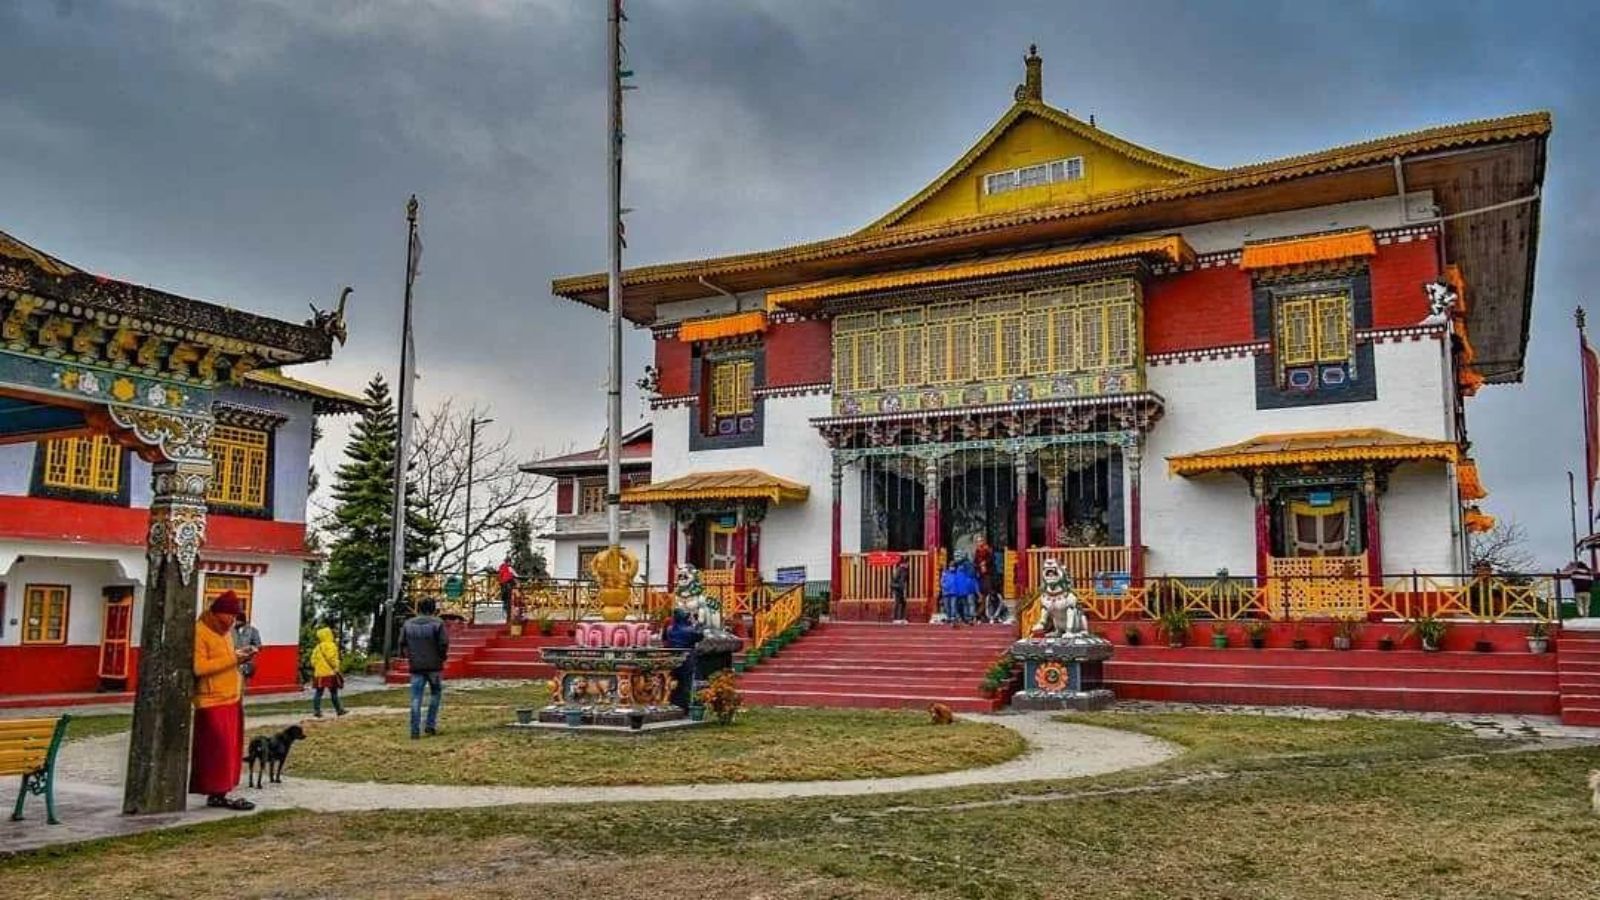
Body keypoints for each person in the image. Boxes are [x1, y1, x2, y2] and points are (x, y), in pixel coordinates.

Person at [190, 591, 255, 810]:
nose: (234, 621)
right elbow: (199, 667)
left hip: (231, 697)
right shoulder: (201, 631)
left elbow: (226, 659)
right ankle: (215, 792)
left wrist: (240, 654)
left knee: (230, 750)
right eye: (231, 616)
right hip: (211, 700)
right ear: (219, 613)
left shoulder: (225, 632)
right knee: (216, 751)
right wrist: (234, 658)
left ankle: (223, 790)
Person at [401, 598, 450, 739]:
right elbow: (443, 643)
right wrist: (442, 657)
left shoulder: (408, 624)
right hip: (434, 666)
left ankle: (414, 730)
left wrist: (409, 656)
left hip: (416, 665)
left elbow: (402, 643)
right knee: (435, 694)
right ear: (433, 608)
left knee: (416, 697)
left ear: (419, 608)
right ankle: (430, 724)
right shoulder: (437, 623)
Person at [662, 608, 704, 710]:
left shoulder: (670, 630)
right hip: (687, 660)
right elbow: (700, 635)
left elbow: (664, 638)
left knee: (675, 682)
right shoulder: (689, 630)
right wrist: (696, 623)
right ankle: (685, 706)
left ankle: (673, 702)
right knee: (687, 683)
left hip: (674, 658)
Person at [309, 626, 347, 718]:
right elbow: (332, 658)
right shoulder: (332, 645)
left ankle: (317, 711)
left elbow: (312, 660)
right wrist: (336, 667)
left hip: (319, 673)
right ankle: (339, 710)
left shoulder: (317, 648)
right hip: (330, 673)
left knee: (318, 693)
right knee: (334, 692)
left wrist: (318, 667)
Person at [232, 611, 262, 686]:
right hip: (232, 662)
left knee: (241, 686)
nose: (234, 622)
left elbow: (258, 646)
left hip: (245, 663)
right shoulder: (230, 630)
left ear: (241, 621)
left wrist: (250, 649)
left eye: (236, 620)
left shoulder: (252, 631)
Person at [940, 561, 962, 627]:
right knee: (947, 606)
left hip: (954, 592)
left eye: (953, 566)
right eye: (950, 566)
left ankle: (953, 618)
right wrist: (945, 587)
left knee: (953, 605)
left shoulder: (957, 573)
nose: (951, 567)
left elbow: (959, 583)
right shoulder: (945, 573)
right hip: (946, 592)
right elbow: (942, 582)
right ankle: (949, 617)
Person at [889, 558, 909, 624]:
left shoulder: (905, 570)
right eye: (907, 563)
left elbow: (904, 581)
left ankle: (901, 618)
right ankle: (895, 618)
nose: (908, 565)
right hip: (897, 589)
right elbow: (893, 581)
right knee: (897, 603)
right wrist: (898, 586)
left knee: (903, 603)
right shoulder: (898, 570)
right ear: (903, 564)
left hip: (901, 589)